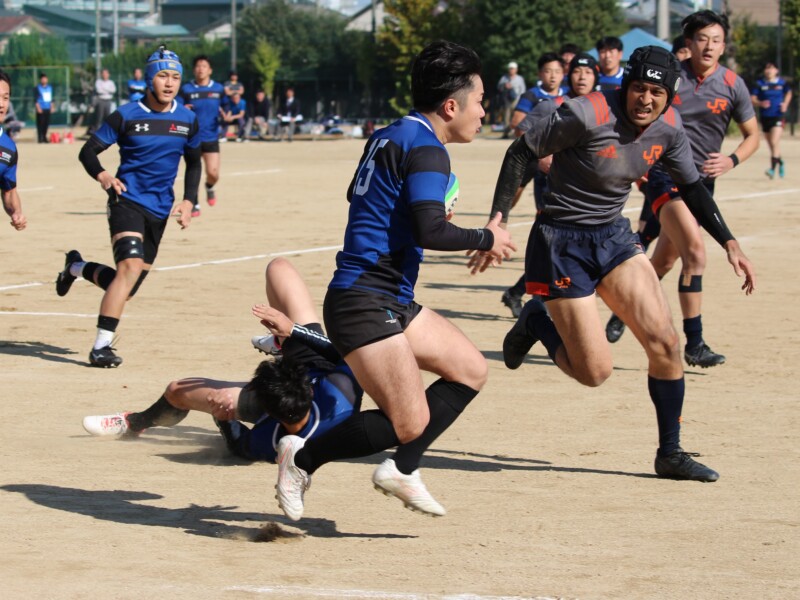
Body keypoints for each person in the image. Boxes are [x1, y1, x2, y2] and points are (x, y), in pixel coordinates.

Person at [476, 45, 755, 483]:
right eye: (639, 89)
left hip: (613, 236)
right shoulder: (587, 113)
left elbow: (693, 186)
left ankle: (670, 453)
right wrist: (498, 219)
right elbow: (520, 151)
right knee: (595, 372)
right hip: (560, 241)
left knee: (665, 343)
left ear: (670, 96)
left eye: (656, 92)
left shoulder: (669, 128)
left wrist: (729, 241)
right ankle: (535, 321)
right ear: (626, 86)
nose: (645, 99)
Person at [272, 41, 516, 522]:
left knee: (470, 368)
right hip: (365, 301)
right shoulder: (428, 149)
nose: (485, 110)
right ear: (451, 106)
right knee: (408, 422)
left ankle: (403, 470)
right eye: (480, 100)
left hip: (384, 296)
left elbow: (360, 195)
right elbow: (431, 229)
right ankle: (300, 459)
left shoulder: (390, 135)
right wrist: (487, 235)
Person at [81, 257, 361, 463]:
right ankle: (281, 342)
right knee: (279, 268)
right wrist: (293, 331)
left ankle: (135, 422)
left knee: (178, 390)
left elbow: (242, 448)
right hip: (317, 362)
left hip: (292, 383)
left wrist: (225, 419)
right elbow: (346, 354)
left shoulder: (268, 437)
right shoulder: (340, 389)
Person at [605, 11, 760, 368]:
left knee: (665, 259)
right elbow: (637, 119)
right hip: (663, 175)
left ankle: (623, 310)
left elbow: (752, 135)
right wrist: (640, 169)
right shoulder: (670, 78)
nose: (709, 45)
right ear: (688, 43)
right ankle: (695, 342)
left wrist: (731, 160)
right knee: (696, 253)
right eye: (702, 38)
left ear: (723, 46)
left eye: (716, 40)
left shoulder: (733, 84)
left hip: (700, 184)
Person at [56, 46, 201, 368]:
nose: (169, 83)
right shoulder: (126, 115)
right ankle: (100, 347)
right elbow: (88, 151)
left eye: (175, 77)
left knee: (125, 287)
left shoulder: (188, 119)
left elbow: (193, 163)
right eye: (163, 75)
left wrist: (190, 199)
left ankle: (75, 268)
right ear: (150, 79)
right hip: (127, 201)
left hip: (160, 210)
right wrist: (103, 175)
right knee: (129, 269)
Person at [500, 53, 600, 318]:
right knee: (555, 243)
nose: (582, 77)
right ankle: (539, 303)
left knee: (563, 249)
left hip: (588, 189)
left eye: (588, 72)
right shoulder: (553, 105)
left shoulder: (605, 107)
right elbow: (521, 131)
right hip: (553, 185)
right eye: (577, 72)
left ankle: (519, 293)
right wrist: (542, 156)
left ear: (595, 77)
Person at [178, 56, 225, 217]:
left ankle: (210, 187)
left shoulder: (218, 89)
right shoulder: (187, 89)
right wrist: (182, 108)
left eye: (204, 66)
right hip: (192, 137)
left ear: (210, 70)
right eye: (198, 66)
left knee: (213, 173)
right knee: (193, 169)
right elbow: (175, 106)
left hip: (211, 136)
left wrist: (227, 113)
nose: (200, 69)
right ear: (194, 70)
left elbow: (227, 106)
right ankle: (194, 202)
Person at [751, 61, 792, 179]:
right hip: (765, 117)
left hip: (778, 115)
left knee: (774, 141)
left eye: (772, 68)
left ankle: (772, 169)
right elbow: (752, 98)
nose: (769, 71)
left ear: (776, 71)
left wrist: (785, 104)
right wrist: (760, 103)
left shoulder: (782, 83)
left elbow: (789, 93)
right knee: (771, 145)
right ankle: (780, 161)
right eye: (767, 68)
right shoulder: (760, 84)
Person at [509, 53, 565, 133]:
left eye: (557, 71)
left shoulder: (568, 95)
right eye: (548, 71)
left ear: (563, 74)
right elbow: (515, 123)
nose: (553, 76)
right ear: (539, 74)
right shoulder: (531, 95)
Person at [0, 70, 26, 232]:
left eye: (5, 98)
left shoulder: (8, 148)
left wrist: (16, 213)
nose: (1, 104)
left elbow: (9, 191)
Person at [496, 61, 526, 138]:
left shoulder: (520, 78)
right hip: (506, 100)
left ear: (516, 70)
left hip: (516, 100)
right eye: (510, 69)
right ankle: (506, 134)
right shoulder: (504, 78)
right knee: (506, 117)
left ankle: (516, 133)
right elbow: (499, 87)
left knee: (516, 116)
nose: (511, 70)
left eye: (513, 69)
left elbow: (523, 90)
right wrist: (504, 85)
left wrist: (520, 99)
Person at [92, 68, 116, 135]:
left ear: (108, 74)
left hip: (108, 101)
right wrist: (108, 90)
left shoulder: (111, 82)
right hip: (100, 101)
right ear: (101, 74)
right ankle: (97, 133)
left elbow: (113, 90)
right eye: (103, 73)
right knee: (99, 117)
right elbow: (99, 91)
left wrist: (104, 89)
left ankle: (108, 133)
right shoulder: (98, 82)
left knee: (108, 118)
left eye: (106, 73)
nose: (105, 75)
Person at [34, 73, 53, 144]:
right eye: (42, 78)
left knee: (46, 123)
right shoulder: (37, 88)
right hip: (41, 108)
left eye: (45, 78)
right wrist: (38, 108)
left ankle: (44, 137)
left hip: (47, 108)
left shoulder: (50, 88)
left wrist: (52, 107)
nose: (44, 80)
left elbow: (51, 99)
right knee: (40, 124)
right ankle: (40, 138)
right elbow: (35, 99)